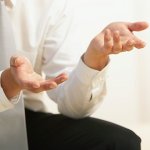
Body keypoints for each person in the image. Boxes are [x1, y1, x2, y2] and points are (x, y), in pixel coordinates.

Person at [0, 0, 149, 150]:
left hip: (24, 118)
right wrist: (7, 84)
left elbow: (73, 107)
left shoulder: (50, 5)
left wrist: (93, 60)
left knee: (119, 142)